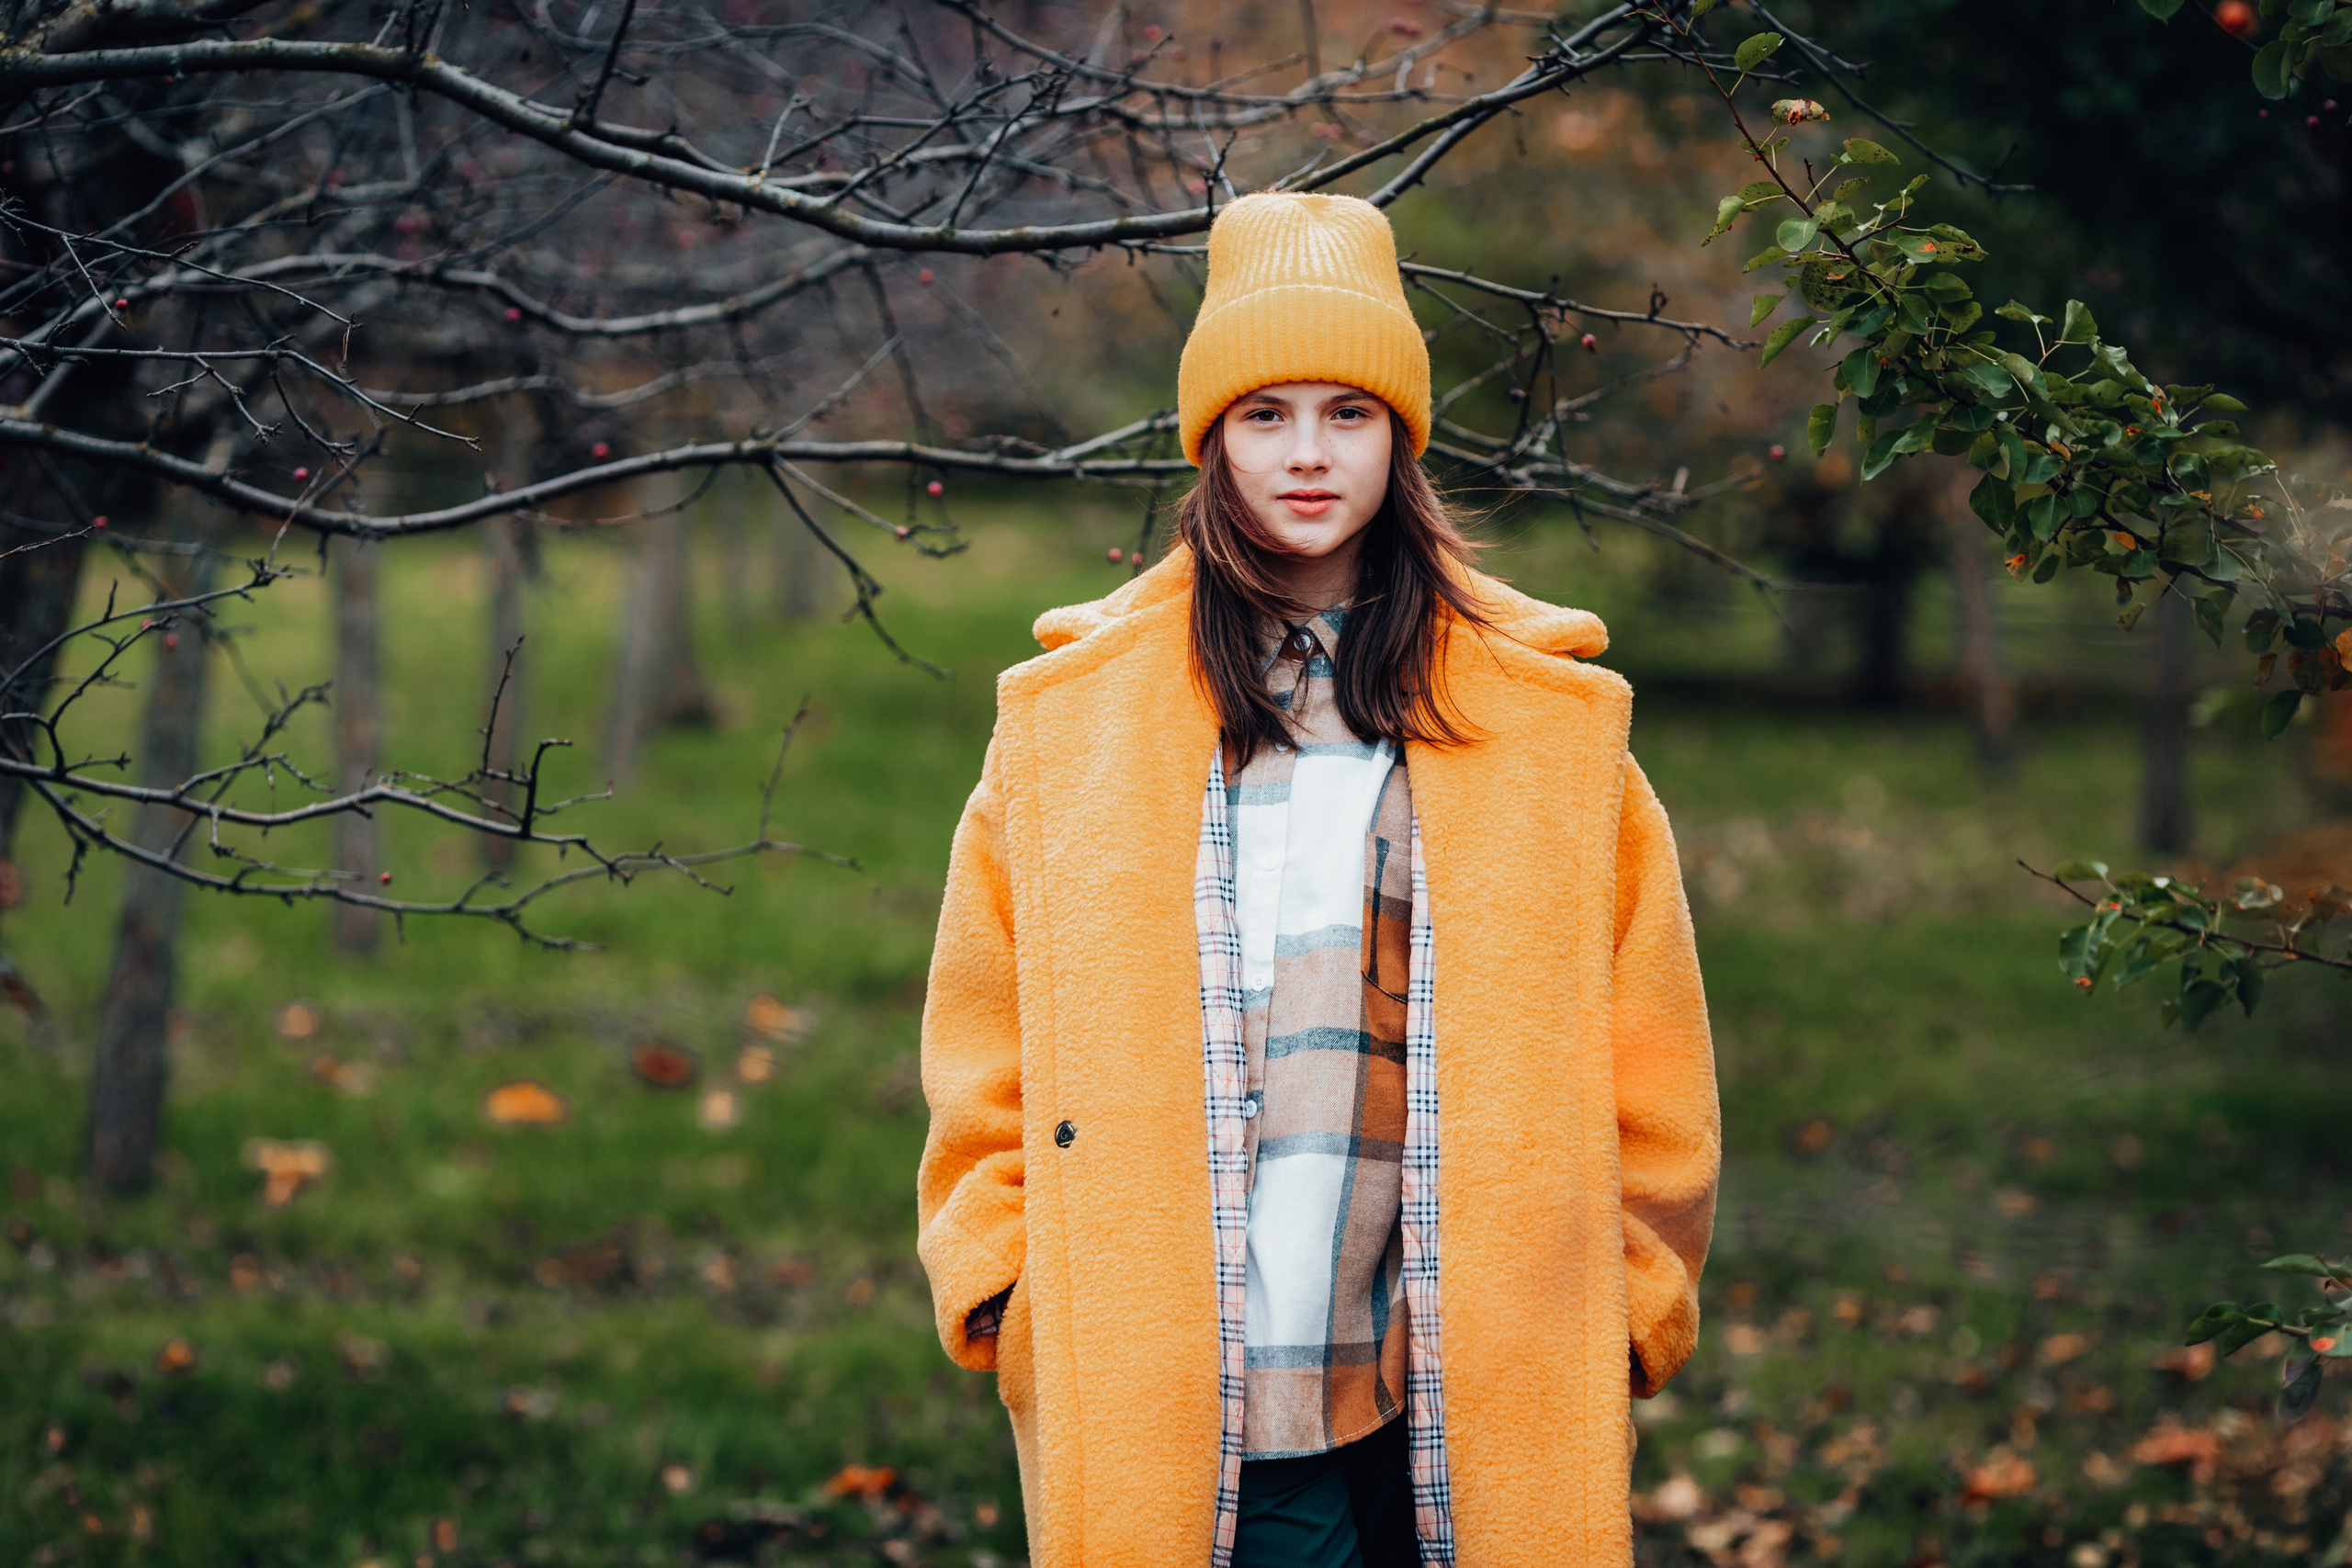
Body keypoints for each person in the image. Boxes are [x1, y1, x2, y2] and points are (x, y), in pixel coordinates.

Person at [917, 192, 1720, 1568]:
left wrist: (1633, 1304)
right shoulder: (1077, 732)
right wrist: (1003, 1284)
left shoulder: (1548, 731)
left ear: (1400, 440)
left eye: (1346, 415)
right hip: (1195, 1382)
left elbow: (1653, 1062)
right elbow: (985, 1050)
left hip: (1466, 1381)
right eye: (1263, 414)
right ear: (1209, 440)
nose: (1305, 454)